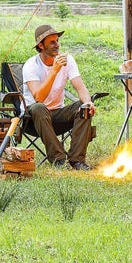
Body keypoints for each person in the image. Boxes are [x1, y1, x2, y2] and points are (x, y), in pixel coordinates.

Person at [22, 24, 96, 171]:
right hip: (33, 120)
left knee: (83, 106)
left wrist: (88, 103)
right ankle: (59, 160)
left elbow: (81, 88)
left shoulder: (68, 60)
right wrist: (54, 70)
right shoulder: (31, 65)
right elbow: (39, 98)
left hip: (57, 115)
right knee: (39, 107)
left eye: (57, 41)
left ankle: (77, 161)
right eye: (52, 42)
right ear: (41, 46)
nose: (57, 45)